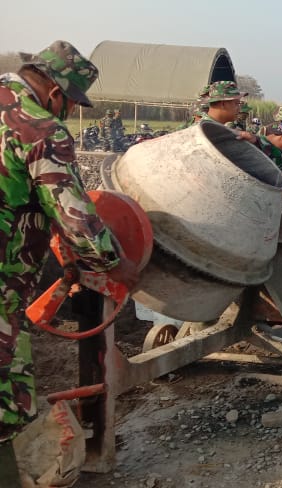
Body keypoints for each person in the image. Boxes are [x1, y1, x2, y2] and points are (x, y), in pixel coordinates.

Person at [0, 40, 140, 479]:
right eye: (72, 103)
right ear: (56, 92)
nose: (71, 111)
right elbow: (74, 214)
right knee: (7, 395)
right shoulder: (41, 129)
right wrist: (114, 264)